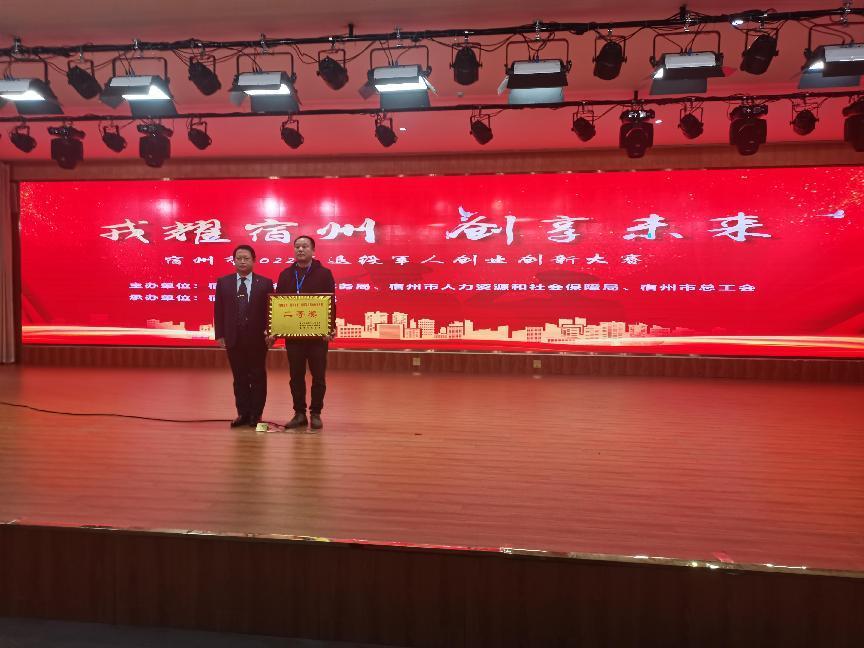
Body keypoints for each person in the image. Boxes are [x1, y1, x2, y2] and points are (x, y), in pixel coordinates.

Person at [275, 235, 335, 430]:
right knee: (296, 376)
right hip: (294, 337)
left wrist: (329, 327)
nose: (300, 249)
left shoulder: (324, 274)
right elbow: (278, 304)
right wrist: (275, 329)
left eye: (305, 246)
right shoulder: (285, 275)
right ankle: (299, 413)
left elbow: (331, 302)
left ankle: (315, 413)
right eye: (297, 246)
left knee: (318, 376)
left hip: (317, 336)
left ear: (313, 250)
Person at [214, 245, 274, 428]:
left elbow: (270, 311)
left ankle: (256, 414)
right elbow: (219, 310)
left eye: (246, 258)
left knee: (257, 376)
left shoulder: (265, 283)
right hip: (234, 337)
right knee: (239, 377)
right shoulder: (224, 282)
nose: (242, 261)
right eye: (238, 258)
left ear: (254, 261)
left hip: (257, 338)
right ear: (233, 260)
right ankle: (243, 413)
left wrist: (270, 332)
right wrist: (220, 334)